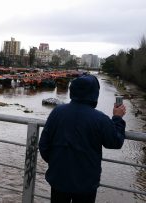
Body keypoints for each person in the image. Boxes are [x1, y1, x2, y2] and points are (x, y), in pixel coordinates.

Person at [38, 74, 126, 203]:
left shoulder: (57, 112)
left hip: (59, 178)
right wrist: (117, 118)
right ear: (95, 93)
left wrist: (55, 163)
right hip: (86, 182)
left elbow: (44, 144)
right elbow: (115, 142)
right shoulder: (100, 119)